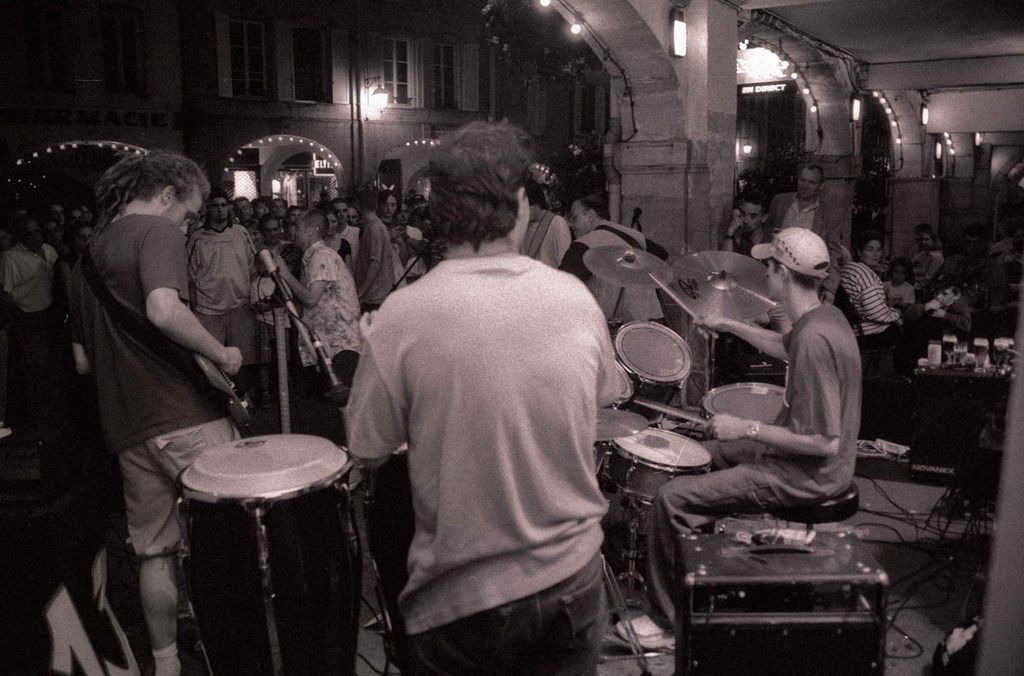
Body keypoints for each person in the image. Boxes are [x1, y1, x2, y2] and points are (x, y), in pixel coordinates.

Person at [345, 121, 618, 675]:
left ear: (439, 213)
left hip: (464, 598)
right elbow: (603, 397)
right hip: (573, 577)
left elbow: (367, 449)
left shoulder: (403, 315)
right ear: (519, 204)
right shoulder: (575, 298)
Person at [619, 228, 861, 650]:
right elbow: (784, 345)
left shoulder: (816, 340)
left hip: (807, 474)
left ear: (781, 273)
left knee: (672, 498)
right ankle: (700, 575)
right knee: (698, 452)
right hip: (796, 460)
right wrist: (726, 323)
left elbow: (825, 441)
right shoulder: (824, 318)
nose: (763, 273)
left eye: (768, 266)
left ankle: (667, 622)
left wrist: (744, 427)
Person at [69, 150, 243, 676]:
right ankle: (232, 655)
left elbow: (82, 362)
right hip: (186, 418)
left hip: (126, 428)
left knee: (153, 552)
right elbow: (164, 310)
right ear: (167, 194)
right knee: (225, 543)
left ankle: (166, 664)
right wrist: (221, 353)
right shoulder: (155, 232)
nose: (189, 226)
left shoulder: (83, 260)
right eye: (189, 215)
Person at [274, 210, 361, 387]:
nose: (293, 231)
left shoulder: (322, 256)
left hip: (341, 346)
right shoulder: (310, 258)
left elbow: (311, 298)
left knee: (343, 405)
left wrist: (285, 274)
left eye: (297, 227)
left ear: (311, 231)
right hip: (328, 345)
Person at [559, 193, 666, 323]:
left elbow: (562, 288)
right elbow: (662, 254)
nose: (571, 225)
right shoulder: (636, 235)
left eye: (574, 218)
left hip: (613, 328)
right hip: (650, 321)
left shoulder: (584, 244)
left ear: (591, 215)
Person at [186, 188, 258, 377]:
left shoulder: (241, 233)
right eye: (215, 206)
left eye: (224, 205)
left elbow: (253, 268)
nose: (220, 210)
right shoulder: (197, 238)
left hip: (240, 306)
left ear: (229, 208)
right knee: (211, 361)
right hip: (208, 309)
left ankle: (244, 398)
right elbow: (190, 277)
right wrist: (194, 309)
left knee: (244, 359)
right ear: (208, 208)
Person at [1, 215, 58, 437]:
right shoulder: (10, 258)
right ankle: (37, 423)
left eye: (37, 231)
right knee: (35, 371)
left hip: (51, 316)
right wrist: (20, 317)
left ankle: (50, 419)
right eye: (29, 233)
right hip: (29, 318)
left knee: (50, 369)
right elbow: (6, 295)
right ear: (20, 236)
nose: (35, 236)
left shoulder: (49, 250)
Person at [768, 163, 846, 302]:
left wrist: (830, 288)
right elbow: (767, 237)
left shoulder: (829, 213)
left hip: (807, 283)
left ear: (820, 185)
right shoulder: (780, 201)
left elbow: (834, 251)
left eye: (811, 182)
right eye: (802, 180)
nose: (805, 185)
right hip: (777, 277)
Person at [839, 230, 901, 379]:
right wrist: (895, 315)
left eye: (879, 250)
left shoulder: (848, 268)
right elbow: (875, 313)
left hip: (850, 328)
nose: (876, 254)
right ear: (859, 252)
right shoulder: (868, 277)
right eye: (870, 249)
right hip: (867, 333)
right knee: (903, 330)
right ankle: (892, 380)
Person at [353, 188, 396, 312]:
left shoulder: (375, 228)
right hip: (374, 295)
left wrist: (361, 292)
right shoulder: (373, 226)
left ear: (359, 206)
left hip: (375, 296)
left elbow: (374, 264)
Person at [520, 178, 572, 268]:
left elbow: (565, 263)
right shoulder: (522, 225)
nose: (522, 212)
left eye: (526, 207)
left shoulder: (557, 223)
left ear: (537, 201)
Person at [911, 223, 944, 295]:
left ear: (933, 240)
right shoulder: (921, 253)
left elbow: (928, 277)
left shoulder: (936, 257)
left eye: (926, 239)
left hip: (923, 289)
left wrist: (912, 277)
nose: (923, 242)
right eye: (922, 239)